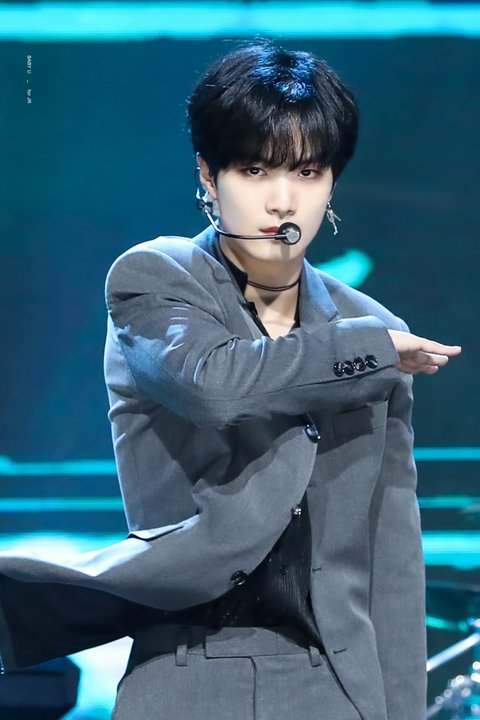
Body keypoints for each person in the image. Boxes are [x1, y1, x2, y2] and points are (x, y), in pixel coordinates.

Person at [0, 42, 461, 720]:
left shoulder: (372, 328)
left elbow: (390, 556)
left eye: (307, 171)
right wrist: (368, 350)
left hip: (334, 684)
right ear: (208, 176)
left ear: (333, 181)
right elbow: (215, 385)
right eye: (254, 169)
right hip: (191, 667)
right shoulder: (157, 278)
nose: (282, 199)